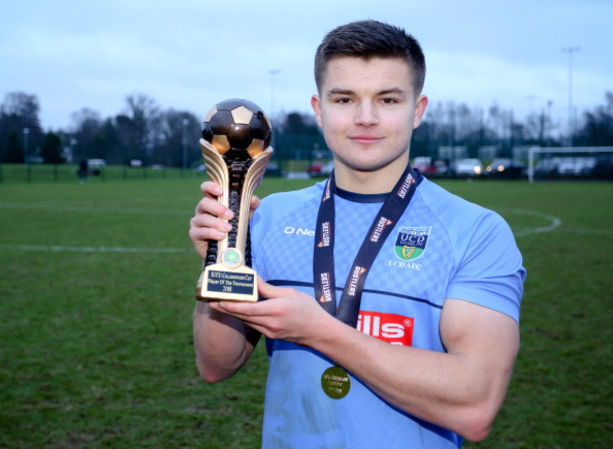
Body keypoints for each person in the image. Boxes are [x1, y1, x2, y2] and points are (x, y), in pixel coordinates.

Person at [189, 20, 525, 448]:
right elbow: (217, 365)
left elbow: (474, 407)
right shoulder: (268, 217)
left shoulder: (476, 232)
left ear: (417, 110)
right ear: (318, 109)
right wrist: (216, 259)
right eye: (345, 98)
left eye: (387, 99)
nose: (366, 118)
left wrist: (320, 331)